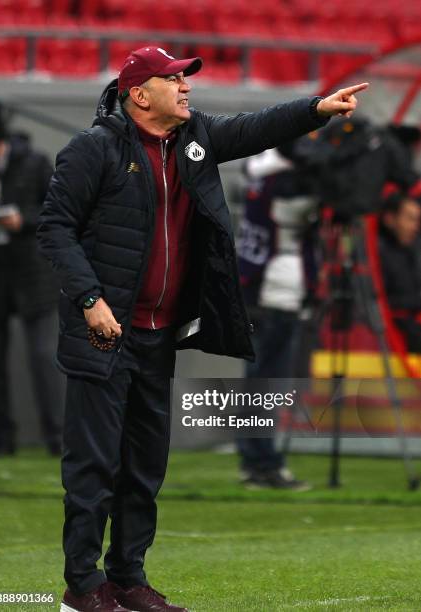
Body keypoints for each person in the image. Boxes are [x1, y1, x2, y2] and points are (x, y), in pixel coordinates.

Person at [37, 46, 368, 612]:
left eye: (185, 78)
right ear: (140, 95)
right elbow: (55, 229)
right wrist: (91, 299)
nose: (186, 87)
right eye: (173, 79)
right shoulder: (93, 150)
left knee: (144, 466)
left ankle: (129, 579)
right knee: (95, 464)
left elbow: (256, 128)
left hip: (159, 334)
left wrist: (316, 109)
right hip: (105, 332)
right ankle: (82, 587)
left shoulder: (195, 141)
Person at [236, 146, 315, 490]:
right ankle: (262, 462)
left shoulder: (260, 171)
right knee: (267, 384)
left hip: (265, 289)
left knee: (262, 383)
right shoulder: (281, 181)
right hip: (273, 292)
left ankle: (256, 460)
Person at [0, 98, 63, 456]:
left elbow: (58, 210)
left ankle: (58, 439)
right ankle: (1, 442)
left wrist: (23, 219)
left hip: (34, 275)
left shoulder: (34, 163)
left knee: (45, 359)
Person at [379, 193, 421, 352]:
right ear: (390, 219)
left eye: (417, 220)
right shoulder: (376, 255)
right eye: (410, 219)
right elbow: (381, 301)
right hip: (394, 331)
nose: (415, 226)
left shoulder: (415, 250)